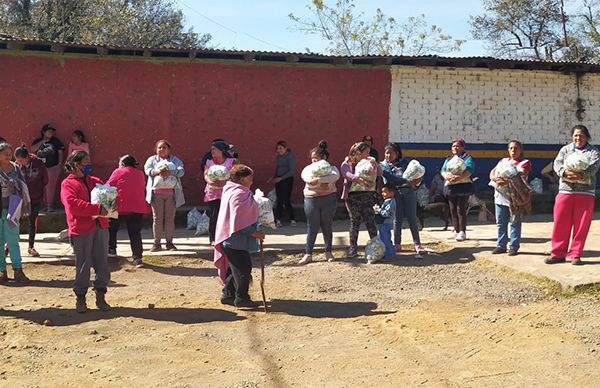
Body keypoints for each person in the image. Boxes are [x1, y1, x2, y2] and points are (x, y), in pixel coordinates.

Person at [60, 151, 111, 312]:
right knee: (83, 264)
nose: (89, 164)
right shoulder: (67, 184)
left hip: (100, 226)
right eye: (86, 161)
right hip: (81, 228)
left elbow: (109, 198)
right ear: (76, 164)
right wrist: (98, 209)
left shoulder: (96, 181)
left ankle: (100, 295)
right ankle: (80, 298)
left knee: (102, 262)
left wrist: (113, 203)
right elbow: (73, 205)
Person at [546, 125, 600, 265]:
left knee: (581, 225)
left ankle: (575, 254)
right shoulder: (565, 150)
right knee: (560, 223)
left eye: (581, 136)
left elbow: (593, 167)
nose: (578, 138)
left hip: (585, 193)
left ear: (587, 137)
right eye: (575, 135)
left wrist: (580, 174)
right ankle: (557, 253)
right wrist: (564, 172)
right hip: (565, 191)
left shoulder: (593, 152)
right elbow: (557, 163)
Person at [214, 164, 265, 308]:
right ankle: (242, 298)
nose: (252, 181)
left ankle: (228, 295)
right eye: (250, 178)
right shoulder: (240, 193)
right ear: (242, 179)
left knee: (233, 267)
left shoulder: (231, 190)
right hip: (236, 241)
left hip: (229, 239)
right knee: (243, 269)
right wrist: (254, 233)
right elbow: (239, 220)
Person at [380, 143, 426, 257]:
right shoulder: (383, 166)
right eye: (387, 152)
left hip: (409, 192)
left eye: (391, 152)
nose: (388, 155)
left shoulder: (405, 162)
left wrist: (417, 180)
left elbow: (416, 173)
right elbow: (390, 180)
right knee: (397, 219)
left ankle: (417, 244)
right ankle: (397, 244)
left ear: (397, 153)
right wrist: (404, 181)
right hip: (395, 193)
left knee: (412, 217)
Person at [298, 141, 340, 264]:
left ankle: (328, 251)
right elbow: (306, 178)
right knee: (312, 226)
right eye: (312, 159)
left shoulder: (332, 169)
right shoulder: (308, 169)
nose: (314, 161)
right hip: (312, 200)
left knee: (327, 225)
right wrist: (319, 181)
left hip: (328, 200)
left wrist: (319, 180)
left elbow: (334, 177)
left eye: (316, 158)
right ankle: (308, 253)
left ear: (324, 159)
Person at [489, 140, 532, 256]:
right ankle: (501, 245)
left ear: (521, 150)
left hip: (515, 198)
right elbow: (493, 172)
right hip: (500, 195)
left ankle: (513, 246)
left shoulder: (525, 163)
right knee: (501, 222)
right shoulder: (503, 161)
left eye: (516, 148)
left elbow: (521, 175)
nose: (513, 151)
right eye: (511, 148)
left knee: (514, 221)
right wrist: (494, 178)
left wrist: (505, 180)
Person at [107, 155, 150, 267]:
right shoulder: (140, 174)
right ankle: (137, 257)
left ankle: (111, 250)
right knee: (135, 233)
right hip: (137, 207)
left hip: (119, 206)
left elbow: (108, 186)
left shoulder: (118, 172)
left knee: (112, 228)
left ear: (123, 164)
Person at [341, 142, 382, 258]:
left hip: (368, 195)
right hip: (353, 196)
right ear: (359, 152)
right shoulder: (347, 163)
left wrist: (376, 165)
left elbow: (379, 174)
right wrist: (359, 179)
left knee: (370, 221)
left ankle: (376, 247)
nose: (368, 154)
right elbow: (346, 174)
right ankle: (353, 248)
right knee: (355, 221)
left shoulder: (370, 162)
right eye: (366, 152)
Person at [144, 140, 185, 252]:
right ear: (156, 149)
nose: (162, 150)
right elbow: (147, 170)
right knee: (157, 219)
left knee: (169, 219)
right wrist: (158, 171)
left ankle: (169, 243)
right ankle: (156, 243)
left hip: (171, 194)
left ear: (169, 149)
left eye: (164, 147)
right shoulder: (152, 160)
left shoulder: (175, 160)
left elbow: (181, 171)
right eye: (159, 148)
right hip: (156, 194)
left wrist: (170, 172)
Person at [0, 142, 31, 282]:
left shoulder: (16, 168)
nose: (8, 156)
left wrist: (15, 184)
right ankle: (2, 271)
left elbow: (23, 187)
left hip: (12, 208)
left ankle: (18, 269)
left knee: (13, 240)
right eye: (4, 153)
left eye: (9, 153)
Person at [14, 145, 48, 257]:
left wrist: (37, 190)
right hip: (19, 198)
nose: (19, 162)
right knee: (13, 222)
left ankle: (31, 247)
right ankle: (9, 246)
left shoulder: (38, 164)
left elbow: (45, 180)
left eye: (21, 160)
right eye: (17, 160)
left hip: (35, 198)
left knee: (32, 223)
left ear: (27, 157)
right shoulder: (16, 166)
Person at [441, 139, 475, 241]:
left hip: (463, 187)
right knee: (452, 209)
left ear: (463, 147)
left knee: (461, 209)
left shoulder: (467, 158)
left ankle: (462, 231)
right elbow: (443, 170)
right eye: (453, 146)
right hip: (451, 187)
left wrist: (459, 178)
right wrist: (447, 176)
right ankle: (456, 230)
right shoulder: (449, 159)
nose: (455, 148)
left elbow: (469, 170)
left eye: (458, 146)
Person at [204, 140, 237, 244]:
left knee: (227, 215)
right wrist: (211, 181)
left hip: (226, 192)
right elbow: (206, 174)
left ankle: (226, 237)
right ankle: (213, 238)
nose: (212, 151)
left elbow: (234, 175)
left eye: (215, 149)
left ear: (222, 150)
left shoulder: (231, 162)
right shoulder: (209, 162)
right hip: (213, 192)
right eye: (212, 149)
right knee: (214, 215)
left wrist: (224, 183)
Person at [31, 124, 65, 212]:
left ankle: (49, 205)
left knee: (50, 186)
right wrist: (42, 141)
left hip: (53, 167)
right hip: (40, 168)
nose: (51, 132)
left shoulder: (56, 141)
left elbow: (60, 152)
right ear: (43, 132)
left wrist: (60, 164)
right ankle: (42, 205)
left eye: (52, 131)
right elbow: (32, 149)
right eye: (49, 131)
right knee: (40, 186)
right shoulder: (38, 141)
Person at [267, 140, 296, 227]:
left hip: (287, 180)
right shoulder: (278, 157)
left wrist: (281, 178)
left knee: (286, 199)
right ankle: (278, 220)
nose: (279, 150)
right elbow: (277, 168)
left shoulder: (290, 157)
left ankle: (292, 218)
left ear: (285, 148)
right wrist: (273, 177)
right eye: (278, 149)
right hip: (278, 180)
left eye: (281, 148)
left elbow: (291, 171)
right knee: (279, 199)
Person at [373, 184, 397, 261]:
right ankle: (389, 254)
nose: (383, 194)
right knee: (385, 238)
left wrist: (378, 210)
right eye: (382, 192)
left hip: (385, 223)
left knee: (385, 240)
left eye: (385, 192)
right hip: (383, 223)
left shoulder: (390, 202)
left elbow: (387, 213)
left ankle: (389, 255)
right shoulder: (388, 201)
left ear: (392, 193)